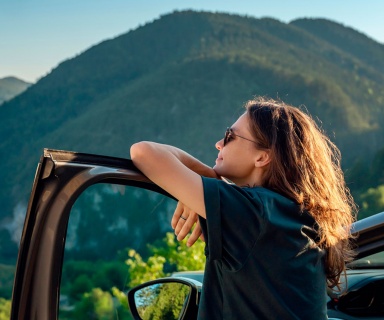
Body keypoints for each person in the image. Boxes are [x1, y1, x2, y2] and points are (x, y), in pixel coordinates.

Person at [130, 97, 357, 319]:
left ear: (262, 157)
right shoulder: (295, 214)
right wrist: (208, 187)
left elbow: (143, 153)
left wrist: (208, 178)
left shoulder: (254, 211)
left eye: (230, 136)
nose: (219, 143)